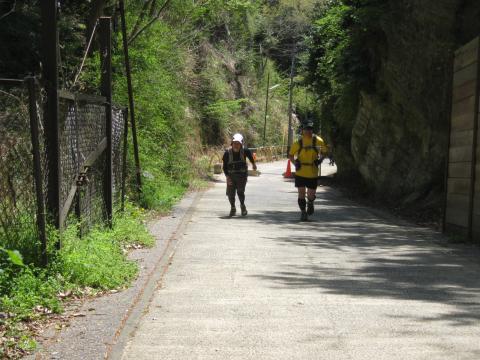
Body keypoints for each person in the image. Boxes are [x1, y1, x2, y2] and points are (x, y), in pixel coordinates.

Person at [288, 120, 328, 221]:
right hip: (300, 172)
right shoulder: (299, 142)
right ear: (302, 130)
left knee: (311, 194)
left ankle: (310, 202)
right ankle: (303, 212)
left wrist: (320, 160)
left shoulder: (318, 140)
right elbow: (290, 155)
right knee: (301, 194)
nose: (308, 131)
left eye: (310, 129)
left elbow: (324, 152)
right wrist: (295, 163)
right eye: (306, 129)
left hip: (312, 172)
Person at [222, 133, 257, 217]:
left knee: (240, 191)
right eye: (234, 143)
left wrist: (254, 164)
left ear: (241, 144)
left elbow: (251, 158)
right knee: (230, 194)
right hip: (231, 176)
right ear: (232, 143)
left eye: (238, 143)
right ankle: (233, 207)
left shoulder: (245, 151)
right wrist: (227, 177)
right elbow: (224, 167)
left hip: (242, 176)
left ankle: (242, 205)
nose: (236, 145)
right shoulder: (227, 153)